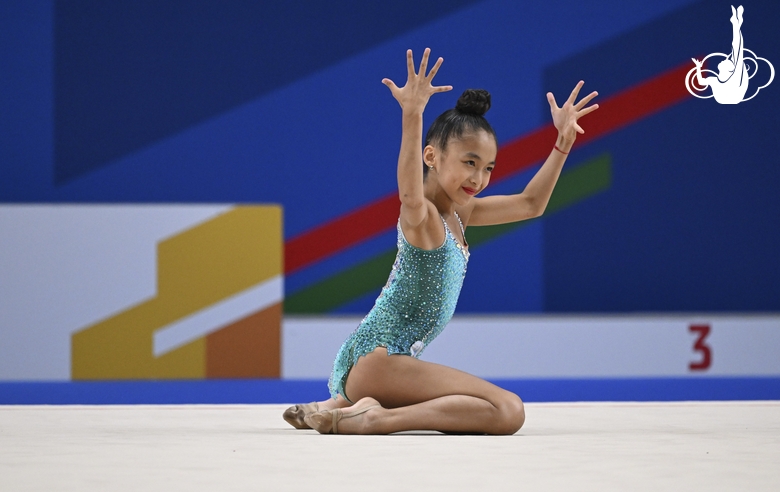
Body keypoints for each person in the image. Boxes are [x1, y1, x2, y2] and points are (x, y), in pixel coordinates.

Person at [283, 48, 598, 435]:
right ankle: (377, 418)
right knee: (508, 410)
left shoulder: (460, 214)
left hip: (369, 359)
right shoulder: (426, 219)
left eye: (488, 168)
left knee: (489, 406)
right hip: (382, 360)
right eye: (469, 163)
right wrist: (412, 114)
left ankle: (339, 406)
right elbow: (410, 196)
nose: (479, 179)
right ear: (432, 156)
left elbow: (531, 204)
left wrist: (562, 143)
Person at [692, 5, 748, 104]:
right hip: (727, 97)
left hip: (733, 96)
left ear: (729, 69)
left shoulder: (735, 77)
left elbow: (737, 47)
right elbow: (701, 82)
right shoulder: (714, 80)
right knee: (736, 52)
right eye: (728, 60)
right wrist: (698, 67)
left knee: (737, 51)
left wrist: (736, 25)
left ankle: (736, 23)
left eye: (728, 61)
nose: (725, 59)